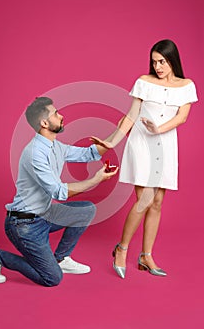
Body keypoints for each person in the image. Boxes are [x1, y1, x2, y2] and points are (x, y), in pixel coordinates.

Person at [0, 97, 118, 286]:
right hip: (23, 224)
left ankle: (61, 259)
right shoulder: (35, 153)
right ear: (44, 123)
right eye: (55, 113)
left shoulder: (56, 146)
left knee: (86, 209)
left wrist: (120, 130)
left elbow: (90, 153)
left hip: (44, 215)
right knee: (52, 278)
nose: (61, 116)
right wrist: (96, 180)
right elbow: (59, 192)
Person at [91, 39, 198, 279]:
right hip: (141, 143)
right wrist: (111, 141)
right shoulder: (144, 82)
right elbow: (130, 116)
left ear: (173, 61)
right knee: (145, 199)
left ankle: (145, 256)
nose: (157, 66)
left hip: (165, 145)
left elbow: (181, 117)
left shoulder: (186, 86)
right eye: (154, 62)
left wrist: (158, 129)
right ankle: (122, 248)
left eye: (162, 61)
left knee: (158, 202)